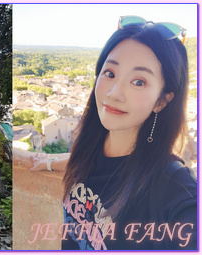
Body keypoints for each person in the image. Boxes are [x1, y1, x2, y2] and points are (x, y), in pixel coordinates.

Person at [17, 15, 196, 250]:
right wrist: (46, 162)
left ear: (162, 100)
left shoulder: (175, 189)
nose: (113, 92)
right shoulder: (90, 152)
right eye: (110, 73)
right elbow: (91, 162)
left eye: (139, 82)